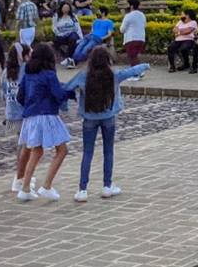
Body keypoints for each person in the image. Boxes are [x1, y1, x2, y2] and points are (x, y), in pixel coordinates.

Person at [64, 47, 149, 202]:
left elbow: (66, 87)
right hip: (108, 117)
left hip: (89, 118)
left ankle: (82, 190)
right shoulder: (113, 75)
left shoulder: (83, 76)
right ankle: (107, 186)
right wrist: (145, 66)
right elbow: (130, 72)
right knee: (108, 151)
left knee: (87, 153)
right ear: (107, 60)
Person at [15, 44, 76, 202]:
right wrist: (70, 93)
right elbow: (58, 94)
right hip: (47, 115)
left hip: (30, 116)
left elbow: (20, 97)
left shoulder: (27, 74)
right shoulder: (49, 75)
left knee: (37, 151)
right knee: (61, 150)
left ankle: (25, 188)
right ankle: (47, 185)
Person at [2, 44, 33, 195]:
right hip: (23, 114)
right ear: (24, 56)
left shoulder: (5, 72)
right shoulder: (26, 70)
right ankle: (19, 178)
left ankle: (22, 174)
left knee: (20, 145)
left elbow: (3, 93)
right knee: (26, 147)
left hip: (11, 113)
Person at [120, 0, 147, 68]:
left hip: (131, 39)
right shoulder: (142, 15)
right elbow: (144, 25)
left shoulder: (128, 16)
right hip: (141, 39)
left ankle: (137, 73)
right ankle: (138, 72)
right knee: (135, 56)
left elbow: (122, 29)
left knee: (132, 57)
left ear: (131, 6)